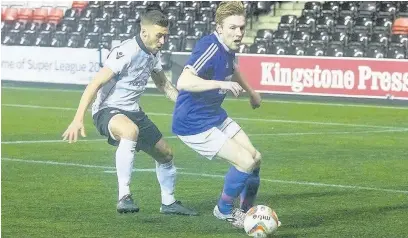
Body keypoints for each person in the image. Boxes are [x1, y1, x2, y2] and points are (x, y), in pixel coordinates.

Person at [62, 10, 197, 216]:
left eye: (165, 36)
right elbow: (95, 83)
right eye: (159, 35)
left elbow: (163, 84)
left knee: (166, 155)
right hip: (107, 110)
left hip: (133, 111)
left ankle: (168, 203)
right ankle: (124, 196)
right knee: (130, 130)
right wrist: (77, 118)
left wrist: (185, 105)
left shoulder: (153, 53)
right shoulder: (127, 51)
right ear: (144, 32)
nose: (163, 40)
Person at [172, 1, 272, 228]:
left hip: (214, 115)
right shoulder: (210, 47)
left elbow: (233, 68)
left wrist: (251, 92)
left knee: (255, 159)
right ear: (219, 28)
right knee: (245, 162)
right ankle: (224, 210)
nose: (238, 33)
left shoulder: (228, 48)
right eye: (232, 28)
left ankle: (247, 212)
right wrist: (220, 84)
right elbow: (183, 81)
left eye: (241, 28)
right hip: (193, 123)